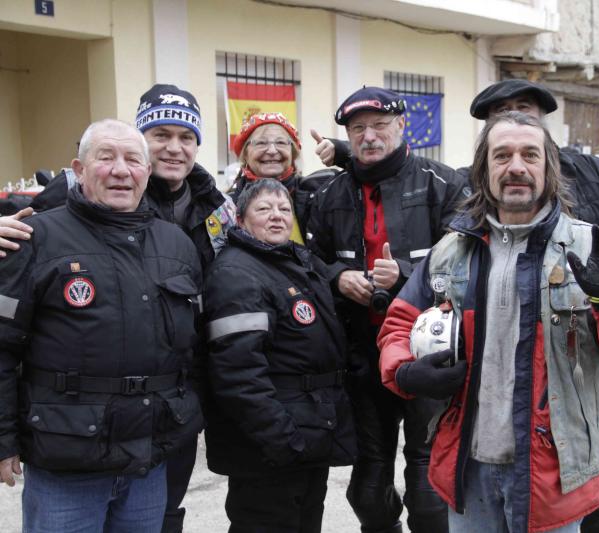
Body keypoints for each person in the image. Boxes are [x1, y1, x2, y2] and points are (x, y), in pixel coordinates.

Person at [313, 84, 599, 532]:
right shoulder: (451, 251)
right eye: (501, 156)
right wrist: (403, 368)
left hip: (553, 478)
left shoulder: (592, 249)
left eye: (530, 155)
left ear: (550, 166)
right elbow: (398, 324)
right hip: (469, 473)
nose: (516, 168)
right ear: (483, 171)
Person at [0, 83, 236, 532]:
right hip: (68, 452)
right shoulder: (39, 231)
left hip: (155, 446)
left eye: (186, 137)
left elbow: (202, 331)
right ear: (79, 169)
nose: (121, 171)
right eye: (106, 158)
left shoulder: (205, 220)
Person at [469, 80, 599, 533]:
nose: (517, 167)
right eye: (500, 112)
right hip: (491, 405)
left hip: (586, 374)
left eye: (522, 108)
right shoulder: (470, 213)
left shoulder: (597, 174)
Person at [305, 86, 469, 533]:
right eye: (358, 129)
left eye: (379, 126)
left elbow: (467, 256)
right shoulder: (330, 194)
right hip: (361, 353)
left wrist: (406, 273)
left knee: (427, 476)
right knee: (368, 483)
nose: (369, 137)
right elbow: (307, 260)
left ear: (401, 126)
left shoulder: (443, 182)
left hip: (429, 351)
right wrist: (338, 275)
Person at [203, 178, 357, 532]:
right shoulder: (236, 274)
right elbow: (238, 374)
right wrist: (283, 439)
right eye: (263, 209)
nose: (277, 216)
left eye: (284, 209)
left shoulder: (293, 263)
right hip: (271, 447)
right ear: (240, 221)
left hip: (306, 436)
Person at [228, 112, 326, 243]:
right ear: (245, 154)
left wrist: (343, 154)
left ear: (293, 153)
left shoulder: (317, 193)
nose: (272, 151)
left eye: (280, 142)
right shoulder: (227, 205)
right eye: (261, 143)